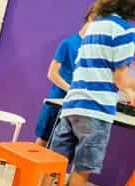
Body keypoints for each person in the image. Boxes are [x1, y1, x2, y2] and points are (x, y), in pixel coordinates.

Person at [30, 0, 135, 186]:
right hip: (96, 108)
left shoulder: (94, 26)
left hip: (73, 103)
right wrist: (131, 87)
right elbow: (120, 78)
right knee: (83, 165)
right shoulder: (126, 31)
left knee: (56, 158)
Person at [35, 6, 95, 146]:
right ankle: (31, 168)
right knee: (43, 139)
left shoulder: (91, 49)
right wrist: (71, 89)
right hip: (57, 100)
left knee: (61, 146)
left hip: (75, 105)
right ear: (91, 18)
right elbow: (52, 73)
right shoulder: (68, 43)